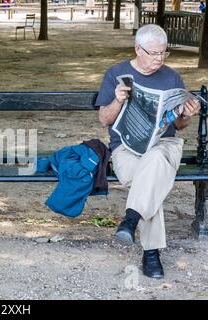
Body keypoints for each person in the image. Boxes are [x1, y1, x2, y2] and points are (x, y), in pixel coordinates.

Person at [95, 24, 200, 279]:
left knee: (153, 162)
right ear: (137, 49)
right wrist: (118, 100)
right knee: (151, 182)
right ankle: (150, 253)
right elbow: (104, 120)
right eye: (153, 53)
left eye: (163, 53)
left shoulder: (171, 77)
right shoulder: (116, 73)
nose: (159, 59)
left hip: (164, 146)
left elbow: (179, 125)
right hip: (126, 149)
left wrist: (187, 115)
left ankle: (131, 220)